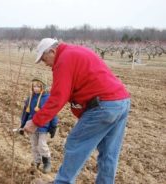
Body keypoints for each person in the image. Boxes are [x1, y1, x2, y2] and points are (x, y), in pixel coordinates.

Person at [23, 38, 130, 184]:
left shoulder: (64, 60)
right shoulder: (77, 51)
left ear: (53, 51)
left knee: (75, 143)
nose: (45, 63)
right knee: (109, 153)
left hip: (103, 106)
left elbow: (58, 97)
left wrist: (36, 122)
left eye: (44, 59)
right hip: (121, 101)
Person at [20, 76, 59, 174]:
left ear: (43, 87)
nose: (36, 88)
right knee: (34, 145)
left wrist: (53, 126)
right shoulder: (30, 98)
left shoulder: (47, 99)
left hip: (43, 127)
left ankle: (47, 162)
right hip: (31, 126)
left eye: (38, 86)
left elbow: (52, 112)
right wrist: (22, 125)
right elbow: (26, 113)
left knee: (42, 145)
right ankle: (36, 162)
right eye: (34, 86)